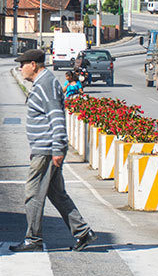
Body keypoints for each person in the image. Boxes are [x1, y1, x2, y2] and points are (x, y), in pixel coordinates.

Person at [10, 49, 95, 253]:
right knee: (57, 194)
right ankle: (83, 232)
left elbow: (56, 117)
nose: (20, 69)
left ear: (33, 64)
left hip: (46, 149)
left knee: (33, 194)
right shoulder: (42, 83)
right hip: (45, 148)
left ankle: (33, 239)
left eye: (22, 65)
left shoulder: (46, 84)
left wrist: (57, 148)